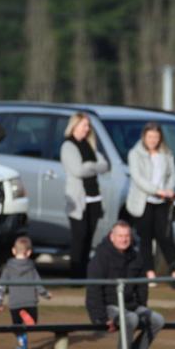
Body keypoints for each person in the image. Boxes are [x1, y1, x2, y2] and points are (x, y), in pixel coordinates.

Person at [85, 221, 165, 349]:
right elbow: (93, 290)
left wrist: (142, 306)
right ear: (112, 237)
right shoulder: (100, 257)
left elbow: (142, 287)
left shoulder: (135, 256)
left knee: (158, 320)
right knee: (130, 319)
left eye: (127, 236)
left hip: (131, 306)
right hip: (110, 307)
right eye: (120, 236)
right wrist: (100, 318)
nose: (124, 239)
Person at [60, 112, 109, 278]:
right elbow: (78, 170)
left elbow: (105, 165)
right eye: (84, 125)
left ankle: (84, 274)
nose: (87, 129)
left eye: (88, 126)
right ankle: (75, 275)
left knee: (89, 237)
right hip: (78, 200)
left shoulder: (91, 145)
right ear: (74, 126)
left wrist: (89, 165)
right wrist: (93, 166)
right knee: (79, 237)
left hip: (94, 198)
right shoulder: (68, 146)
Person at [126, 122, 175, 280]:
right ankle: (149, 272)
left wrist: (168, 190)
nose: (153, 140)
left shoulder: (166, 153)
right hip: (144, 202)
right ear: (144, 137)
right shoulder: (135, 153)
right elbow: (138, 178)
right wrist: (156, 191)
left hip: (162, 202)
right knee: (145, 238)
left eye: (156, 137)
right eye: (150, 137)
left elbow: (172, 174)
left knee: (164, 237)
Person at [0, 236, 51, 349]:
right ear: (29, 252)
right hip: (30, 301)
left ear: (13, 251)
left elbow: (2, 286)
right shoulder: (31, 267)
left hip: (15, 303)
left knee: (16, 327)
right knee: (32, 323)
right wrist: (46, 295)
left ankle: (22, 343)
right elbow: (38, 284)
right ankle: (24, 339)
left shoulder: (8, 268)